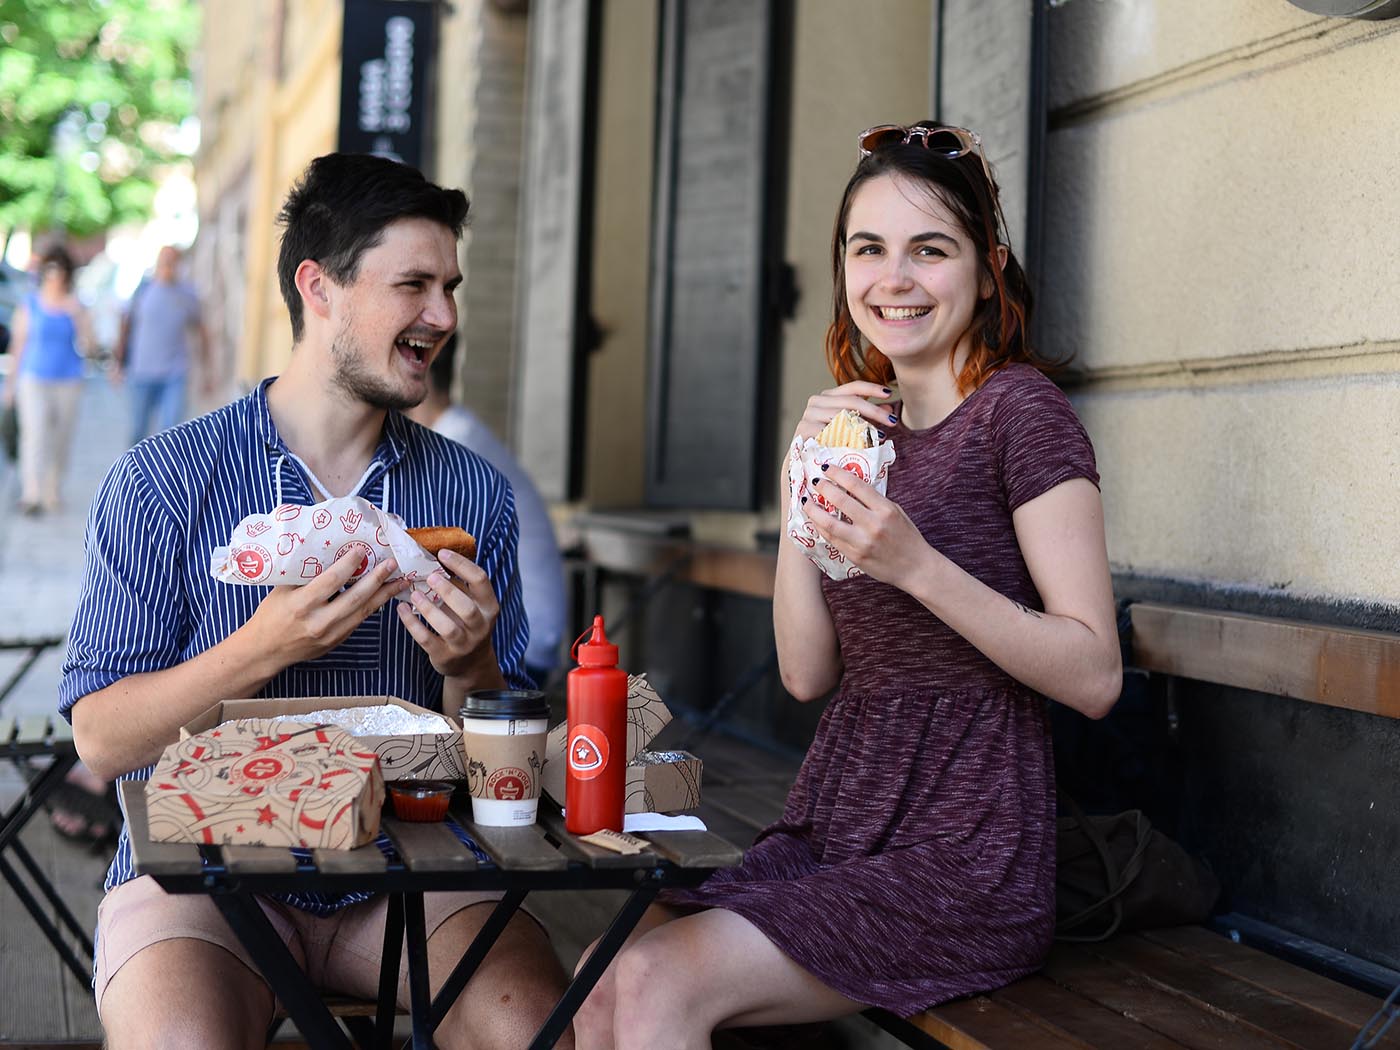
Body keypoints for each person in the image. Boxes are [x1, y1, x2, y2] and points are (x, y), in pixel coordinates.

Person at [571, 122, 1123, 1047]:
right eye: (868, 249)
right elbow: (804, 673)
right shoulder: (858, 432)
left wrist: (918, 566)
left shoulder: (1020, 413)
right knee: (599, 973)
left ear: (988, 270)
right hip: (838, 818)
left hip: (966, 849)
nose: (893, 278)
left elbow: (1096, 674)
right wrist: (803, 478)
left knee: (661, 981)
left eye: (930, 250)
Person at [60, 153, 573, 1050]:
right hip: (203, 880)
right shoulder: (161, 480)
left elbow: (508, 777)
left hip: (413, 878)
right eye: (413, 285)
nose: (444, 316)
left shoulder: (471, 495)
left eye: (449, 288)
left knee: (534, 1029)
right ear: (319, 287)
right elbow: (101, 739)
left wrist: (473, 668)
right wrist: (264, 646)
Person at [406, 334, 568, 684]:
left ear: (420, 365)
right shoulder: (457, 430)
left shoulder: (455, 445)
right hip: (523, 630)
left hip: (522, 642)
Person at [1, 244, 93, 515]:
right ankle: (32, 493)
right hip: (33, 378)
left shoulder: (76, 306)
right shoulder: (30, 304)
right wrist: (10, 386)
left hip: (68, 380)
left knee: (61, 438)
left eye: (60, 268)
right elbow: (18, 345)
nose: (55, 274)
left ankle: (53, 489)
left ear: (67, 274)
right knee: (34, 435)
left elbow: (90, 347)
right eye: (50, 268)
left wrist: (79, 316)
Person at [112, 244, 210, 445]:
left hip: (175, 374)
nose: (168, 264)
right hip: (142, 372)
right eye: (164, 260)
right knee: (138, 432)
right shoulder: (143, 290)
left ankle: (165, 466)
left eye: (172, 260)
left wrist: (208, 371)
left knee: (171, 433)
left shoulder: (187, 294)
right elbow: (126, 327)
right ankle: (136, 466)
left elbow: (202, 331)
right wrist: (118, 363)